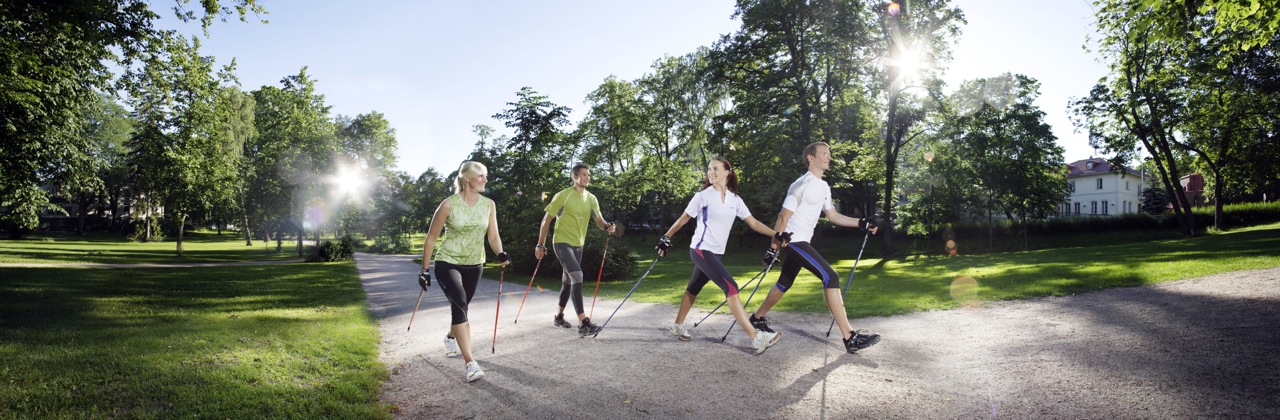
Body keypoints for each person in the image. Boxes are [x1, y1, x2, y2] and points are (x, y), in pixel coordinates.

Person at [748, 142, 882, 354]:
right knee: (831, 277)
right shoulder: (800, 184)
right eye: (824, 154)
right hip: (793, 241)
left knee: (784, 282)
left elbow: (833, 216)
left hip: (804, 241)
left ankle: (757, 318)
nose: (828, 157)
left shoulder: (823, 186)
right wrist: (773, 248)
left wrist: (861, 222)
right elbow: (783, 216)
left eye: (829, 154)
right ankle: (850, 337)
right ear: (811, 158)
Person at [657, 157, 791, 354]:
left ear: (727, 172)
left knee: (693, 289)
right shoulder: (703, 196)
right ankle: (755, 337)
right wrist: (666, 237)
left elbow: (753, 223)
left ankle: (678, 325)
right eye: (709, 169)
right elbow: (684, 218)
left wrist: (776, 234)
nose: (711, 172)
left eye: (716, 169)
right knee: (731, 287)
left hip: (716, 253)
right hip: (701, 250)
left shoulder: (734, 200)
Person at [418, 161, 510, 382]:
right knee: (459, 303)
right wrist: (424, 270)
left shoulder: (489, 204)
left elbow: (493, 236)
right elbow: (431, 238)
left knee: (462, 307)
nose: (485, 180)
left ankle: (451, 337)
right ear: (467, 178)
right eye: (480, 176)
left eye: (485, 176)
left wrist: (500, 253)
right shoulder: (448, 205)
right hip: (447, 261)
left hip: (475, 263)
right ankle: (470, 363)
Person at [534, 163, 616, 337]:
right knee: (577, 275)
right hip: (562, 242)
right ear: (575, 177)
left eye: (589, 175)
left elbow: (599, 221)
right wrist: (541, 244)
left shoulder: (591, 198)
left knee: (568, 280)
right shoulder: (563, 196)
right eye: (584, 174)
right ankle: (583, 323)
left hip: (579, 244)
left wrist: (607, 226)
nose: (587, 178)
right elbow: (546, 220)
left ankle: (558, 316)